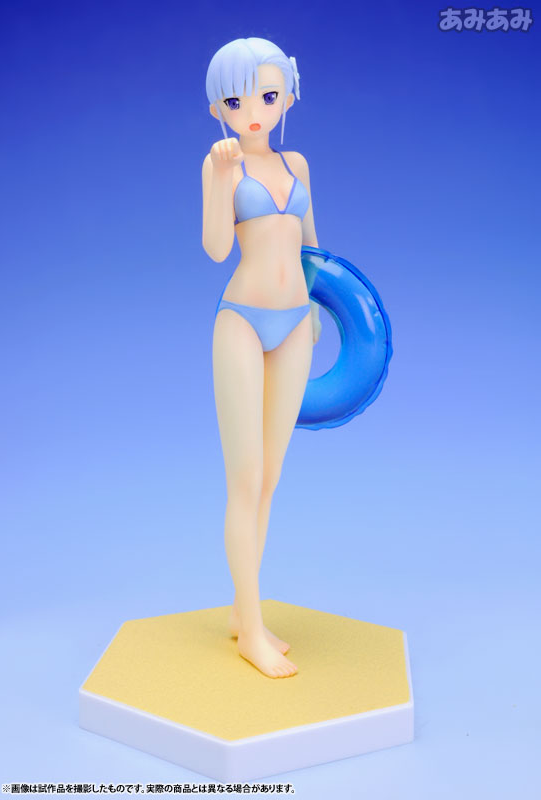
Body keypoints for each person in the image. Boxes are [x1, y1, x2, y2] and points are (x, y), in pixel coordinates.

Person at [202, 37, 321, 679]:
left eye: (267, 97)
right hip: (242, 322)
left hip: (297, 322)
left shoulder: (297, 164)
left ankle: (243, 610)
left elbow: (312, 246)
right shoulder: (220, 165)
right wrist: (221, 178)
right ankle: (250, 629)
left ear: (287, 99)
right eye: (236, 101)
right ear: (217, 107)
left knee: (271, 478)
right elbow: (217, 248)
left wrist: (321, 313)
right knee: (244, 480)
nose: (253, 113)